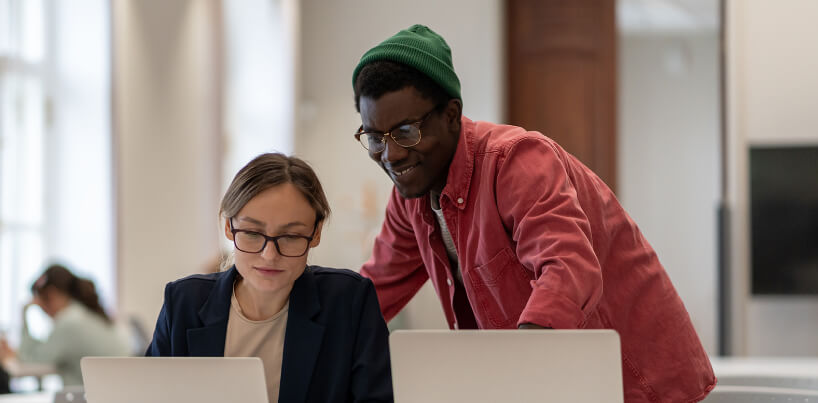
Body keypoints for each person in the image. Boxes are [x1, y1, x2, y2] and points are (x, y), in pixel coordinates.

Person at [353, 24, 716, 402]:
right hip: (560, 382)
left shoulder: (515, 160)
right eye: (375, 138)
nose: (390, 155)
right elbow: (373, 290)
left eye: (407, 131)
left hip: (639, 381)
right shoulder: (410, 199)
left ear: (450, 115)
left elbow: (568, 268)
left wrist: (522, 369)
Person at [146, 153, 393, 403]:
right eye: (252, 233)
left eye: (291, 236)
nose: (269, 255)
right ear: (229, 227)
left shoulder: (348, 302)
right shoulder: (183, 304)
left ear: (316, 232)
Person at [0, 264, 132, 387]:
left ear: (51, 294)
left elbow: (32, 360)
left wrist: (24, 312)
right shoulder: (85, 314)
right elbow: (44, 350)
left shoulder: (70, 321)